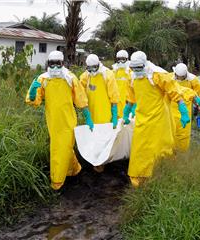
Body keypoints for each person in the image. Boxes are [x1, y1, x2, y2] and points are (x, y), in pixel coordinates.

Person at [122, 51, 200, 187]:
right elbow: (131, 97)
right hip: (142, 118)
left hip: (159, 118)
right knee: (140, 149)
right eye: (133, 68)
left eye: (138, 68)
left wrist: (183, 110)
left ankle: (162, 174)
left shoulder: (157, 75)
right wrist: (126, 111)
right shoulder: (132, 77)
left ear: (145, 64)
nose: (136, 71)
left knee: (160, 148)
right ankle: (139, 176)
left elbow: (174, 92)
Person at [25, 50, 94, 190]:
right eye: (52, 64)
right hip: (53, 121)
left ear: (62, 63)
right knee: (63, 147)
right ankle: (74, 170)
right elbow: (35, 101)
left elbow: (80, 98)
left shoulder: (70, 78)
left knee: (61, 148)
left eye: (58, 64)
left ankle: (57, 181)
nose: (55, 67)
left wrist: (88, 117)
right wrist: (32, 93)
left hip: (69, 120)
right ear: (48, 64)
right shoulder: (42, 79)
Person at [79, 54, 120, 172]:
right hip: (91, 114)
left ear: (98, 65)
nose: (92, 71)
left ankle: (102, 162)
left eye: (94, 68)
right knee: (93, 137)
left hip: (105, 113)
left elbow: (114, 95)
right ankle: (95, 160)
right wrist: (86, 115)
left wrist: (114, 114)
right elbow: (79, 93)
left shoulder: (107, 74)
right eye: (89, 68)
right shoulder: (85, 76)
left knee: (104, 138)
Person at [169, 63, 200, 152]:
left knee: (184, 134)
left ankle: (181, 154)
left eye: (181, 77)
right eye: (178, 76)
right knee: (170, 133)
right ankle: (170, 154)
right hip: (171, 108)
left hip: (186, 110)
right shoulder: (169, 78)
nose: (179, 79)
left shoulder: (193, 80)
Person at [111, 50, 135, 118]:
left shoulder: (131, 71)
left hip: (128, 102)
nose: (121, 62)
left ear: (127, 59)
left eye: (123, 59)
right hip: (117, 101)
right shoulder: (114, 71)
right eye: (119, 59)